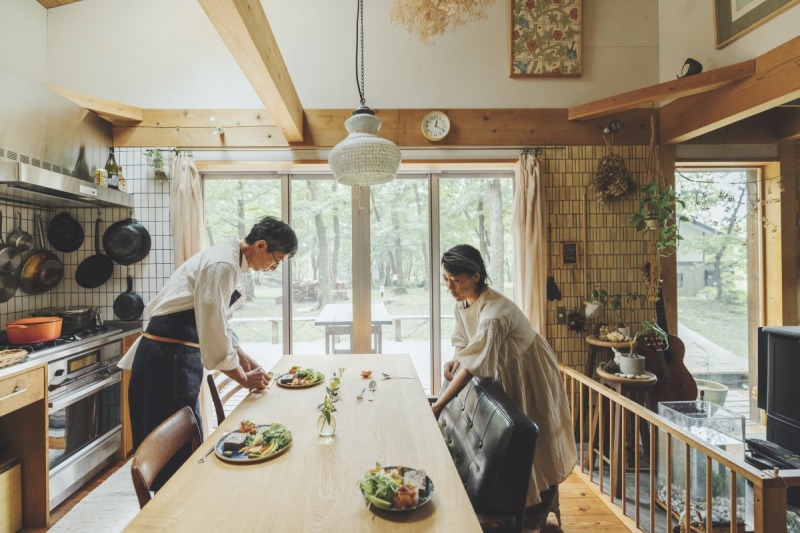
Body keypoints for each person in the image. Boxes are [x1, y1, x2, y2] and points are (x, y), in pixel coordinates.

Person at [120, 215, 298, 489]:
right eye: (277, 260)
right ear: (261, 245)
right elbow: (213, 332)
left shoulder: (230, 262)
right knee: (173, 458)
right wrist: (243, 379)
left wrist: (248, 364)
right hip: (166, 362)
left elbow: (222, 325)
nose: (274, 267)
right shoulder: (223, 264)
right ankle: (173, 514)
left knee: (184, 449)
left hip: (175, 358)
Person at [431, 244, 576, 533]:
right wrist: (455, 357)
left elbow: (475, 365)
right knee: (525, 444)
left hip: (528, 369)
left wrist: (438, 404)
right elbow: (465, 340)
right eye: (445, 279)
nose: (450, 287)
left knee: (540, 439)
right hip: (503, 367)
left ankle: (538, 517)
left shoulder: (494, 312)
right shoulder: (464, 300)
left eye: (455, 280)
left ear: (475, 276)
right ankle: (538, 512)